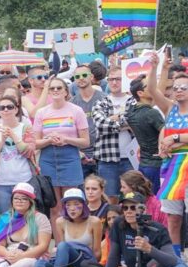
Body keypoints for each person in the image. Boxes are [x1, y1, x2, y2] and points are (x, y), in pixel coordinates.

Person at [98, 192, 188, 267]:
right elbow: (113, 256)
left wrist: (150, 249)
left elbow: (172, 261)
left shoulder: (157, 229)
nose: (129, 211)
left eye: (133, 207)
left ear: (143, 209)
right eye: (125, 208)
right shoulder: (118, 225)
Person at [146, 55, 188, 258]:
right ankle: (175, 257)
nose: (179, 90)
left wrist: (176, 138)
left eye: (183, 87)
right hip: (171, 166)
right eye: (176, 87)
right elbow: (152, 90)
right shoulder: (170, 109)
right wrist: (157, 68)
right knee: (173, 216)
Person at [33, 77, 91, 219]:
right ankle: (59, 241)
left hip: (70, 157)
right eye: (52, 88)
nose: (56, 90)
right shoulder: (41, 113)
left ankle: (73, 238)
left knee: (72, 205)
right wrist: (48, 140)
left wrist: (66, 139)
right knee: (54, 207)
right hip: (48, 158)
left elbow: (85, 142)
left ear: (66, 91)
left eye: (59, 88)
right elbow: (34, 143)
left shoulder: (76, 111)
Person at [30, 188, 103, 267]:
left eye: (76, 204)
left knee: (64, 245)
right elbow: (61, 251)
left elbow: (97, 253)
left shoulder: (94, 221)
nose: (72, 208)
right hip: (66, 266)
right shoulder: (60, 221)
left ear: (83, 205)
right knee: (40, 262)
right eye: (68, 205)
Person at [0, 95, 35, 236]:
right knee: (5, 218)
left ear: (16, 109)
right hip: (1, 181)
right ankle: (4, 246)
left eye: (9, 107)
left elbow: (29, 152)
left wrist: (14, 136)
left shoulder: (26, 127)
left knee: (25, 215)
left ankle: (26, 244)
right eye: (2, 108)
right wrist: (1, 141)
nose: (6, 110)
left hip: (23, 179)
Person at [92, 67, 135, 204]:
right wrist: (124, 122)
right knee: (110, 198)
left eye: (118, 79)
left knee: (133, 197)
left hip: (131, 157)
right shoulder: (101, 102)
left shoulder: (133, 101)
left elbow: (134, 120)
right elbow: (100, 125)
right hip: (107, 159)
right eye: (111, 79)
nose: (114, 82)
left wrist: (112, 119)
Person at [125, 78, 164, 193]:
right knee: (157, 202)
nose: (153, 87)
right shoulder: (152, 113)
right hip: (157, 164)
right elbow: (165, 132)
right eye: (149, 86)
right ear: (140, 93)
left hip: (143, 164)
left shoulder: (131, 112)